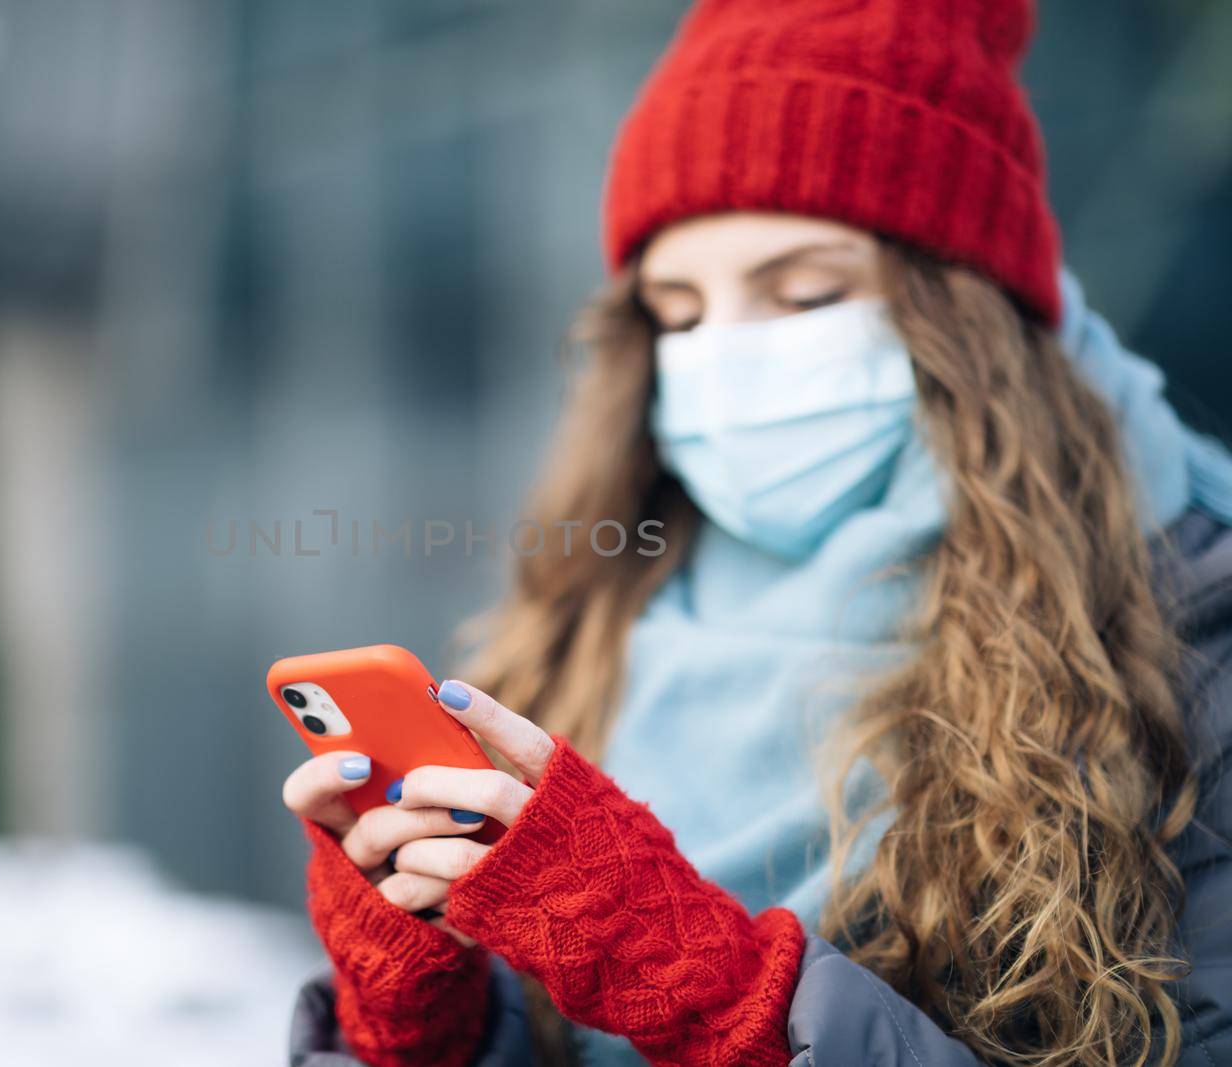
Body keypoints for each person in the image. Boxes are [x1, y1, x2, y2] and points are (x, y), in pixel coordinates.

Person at [282, 0, 1232, 1063]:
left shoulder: (1188, 634)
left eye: (805, 292)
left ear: (964, 314)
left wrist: (723, 996)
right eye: (678, 312)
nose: (725, 353)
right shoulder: (584, 615)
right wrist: (419, 1021)